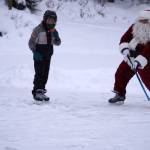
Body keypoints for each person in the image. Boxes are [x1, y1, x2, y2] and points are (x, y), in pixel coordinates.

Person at [108, 10, 150, 104]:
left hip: (146, 60)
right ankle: (120, 95)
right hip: (130, 56)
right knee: (120, 74)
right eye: (140, 20)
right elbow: (125, 38)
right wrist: (125, 49)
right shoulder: (135, 26)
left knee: (148, 80)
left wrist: (140, 61)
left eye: (145, 21)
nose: (142, 22)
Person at [28, 10, 61, 101]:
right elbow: (31, 42)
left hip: (48, 55)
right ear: (45, 19)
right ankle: (36, 92)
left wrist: (56, 37)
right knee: (39, 73)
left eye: (53, 21)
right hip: (39, 55)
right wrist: (35, 52)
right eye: (49, 20)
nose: (51, 22)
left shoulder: (53, 30)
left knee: (45, 74)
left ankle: (41, 91)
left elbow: (57, 43)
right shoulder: (38, 29)